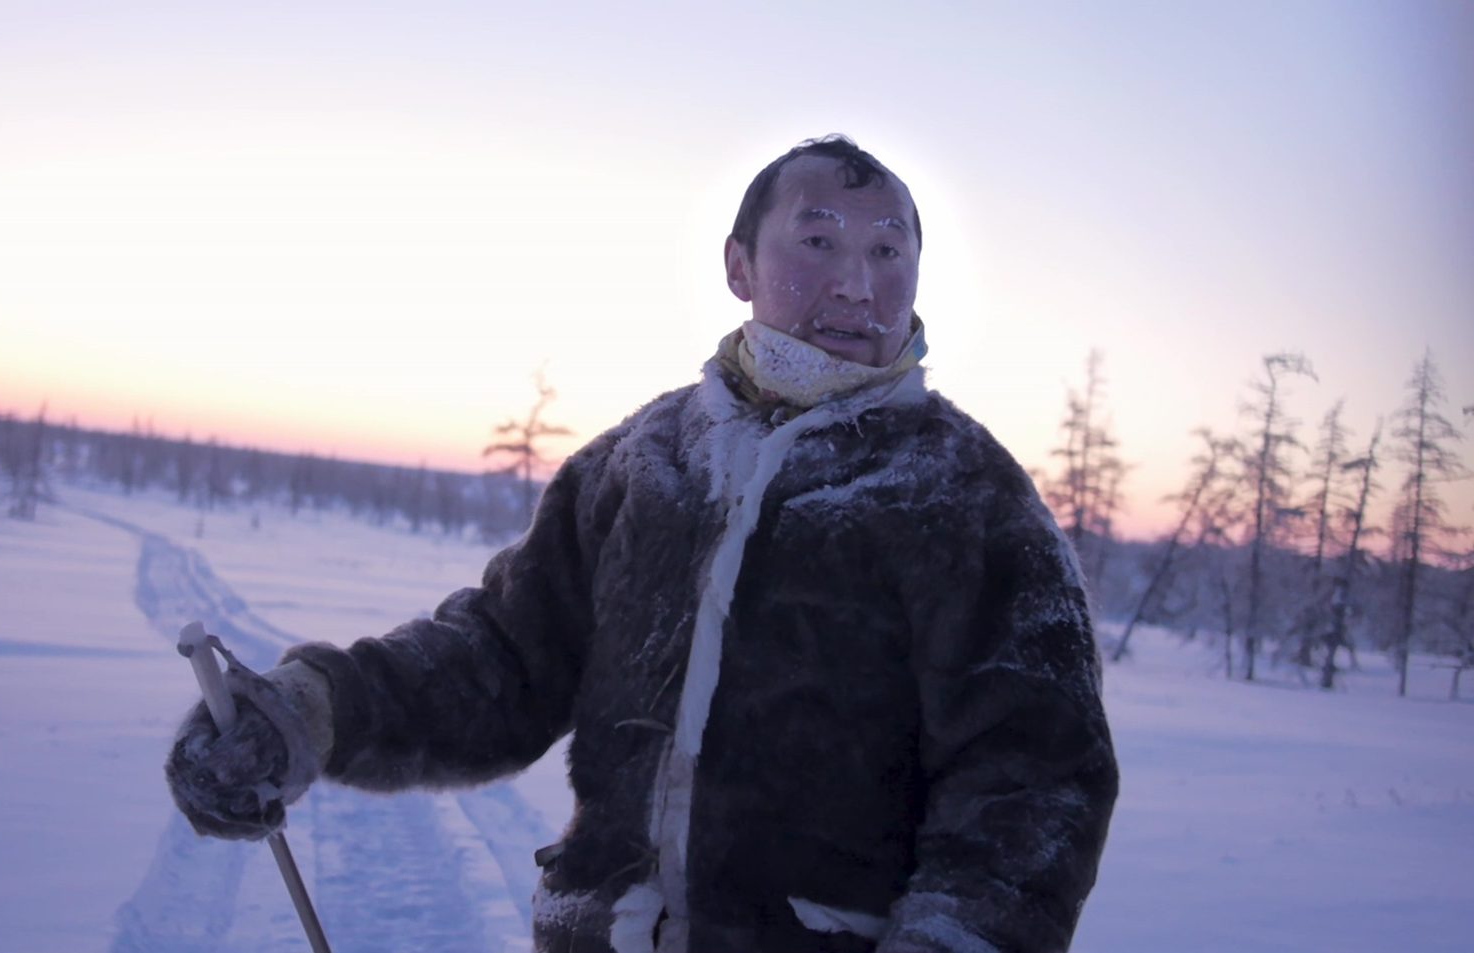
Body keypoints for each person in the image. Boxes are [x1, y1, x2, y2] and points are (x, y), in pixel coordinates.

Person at [166, 134, 1119, 953]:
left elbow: (1034, 775)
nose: (857, 285)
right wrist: (313, 708)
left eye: (887, 251)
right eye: (819, 241)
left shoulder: (963, 491)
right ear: (740, 264)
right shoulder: (642, 462)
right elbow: (503, 656)